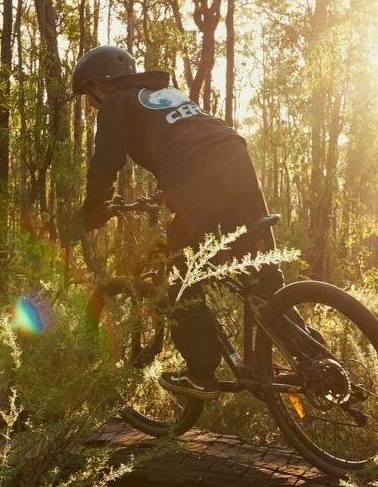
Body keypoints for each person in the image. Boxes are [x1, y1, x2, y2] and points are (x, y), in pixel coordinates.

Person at [67, 44, 280, 399]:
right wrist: (170, 191)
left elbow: (106, 163)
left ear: (99, 85)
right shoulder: (164, 92)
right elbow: (184, 141)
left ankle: (201, 372)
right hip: (236, 155)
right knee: (260, 269)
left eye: (89, 96)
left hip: (198, 167)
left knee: (179, 269)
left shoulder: (117, 101)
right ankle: (311, 358)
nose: (91, 105)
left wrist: (91, 211)